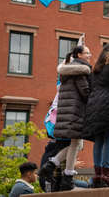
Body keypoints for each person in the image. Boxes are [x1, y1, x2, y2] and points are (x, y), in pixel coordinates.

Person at [39, 45, 92, 190]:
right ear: (79, 55)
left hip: (68, 111)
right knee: (76, 143)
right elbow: (85, 92)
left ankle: (53, 166)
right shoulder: (80, 70)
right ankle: (64, 173)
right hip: (75, 112)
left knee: (76, 144)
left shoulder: (67, 70)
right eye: (87, 53)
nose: (90, 55)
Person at [83, 43, 109, 188]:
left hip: (93, 107)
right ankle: (107, 174)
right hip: (108, 104)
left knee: (98, 141)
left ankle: (98, 174)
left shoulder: (95, 70)